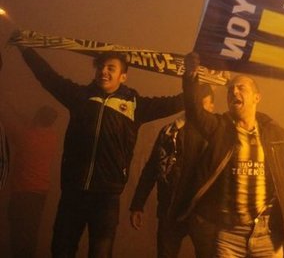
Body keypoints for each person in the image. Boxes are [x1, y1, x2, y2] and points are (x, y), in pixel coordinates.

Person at [179, 52, 284, 258]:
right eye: (230, 90)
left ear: (257, 97)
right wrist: (190, 76)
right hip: (228, 236)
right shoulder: (219, 128)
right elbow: (194, 112)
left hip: (267, 235)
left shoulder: (274, 135)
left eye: (241, 88)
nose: (234, 91)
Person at [15, 45, 184, 258]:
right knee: (61, 251)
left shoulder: (135, 106)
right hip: (73, 193)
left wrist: (195, 78)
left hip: (106, 198)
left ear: (123, 76)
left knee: (100, 254)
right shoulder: (80, 97)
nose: (104, 71)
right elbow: (48, 77)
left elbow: (176, 102)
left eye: (111, 68)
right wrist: (26, 49)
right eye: (101, 67)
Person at [129, 83, 216, 258]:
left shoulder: (217, 133)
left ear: (212, 106)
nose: (196, 108)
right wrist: (138, 204)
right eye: (194, 102)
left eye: (201, 103)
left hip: (203, 213)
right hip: (170, 210)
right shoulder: (170, 132)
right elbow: (152, 169)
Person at [1, 104, 59, 258]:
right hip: (40, 192)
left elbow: (8, 128)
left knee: (17, 231)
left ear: (37, 117)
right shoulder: (52, 138)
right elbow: (31, 126)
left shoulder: (26, 136)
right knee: (31, 231)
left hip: (22, 191)